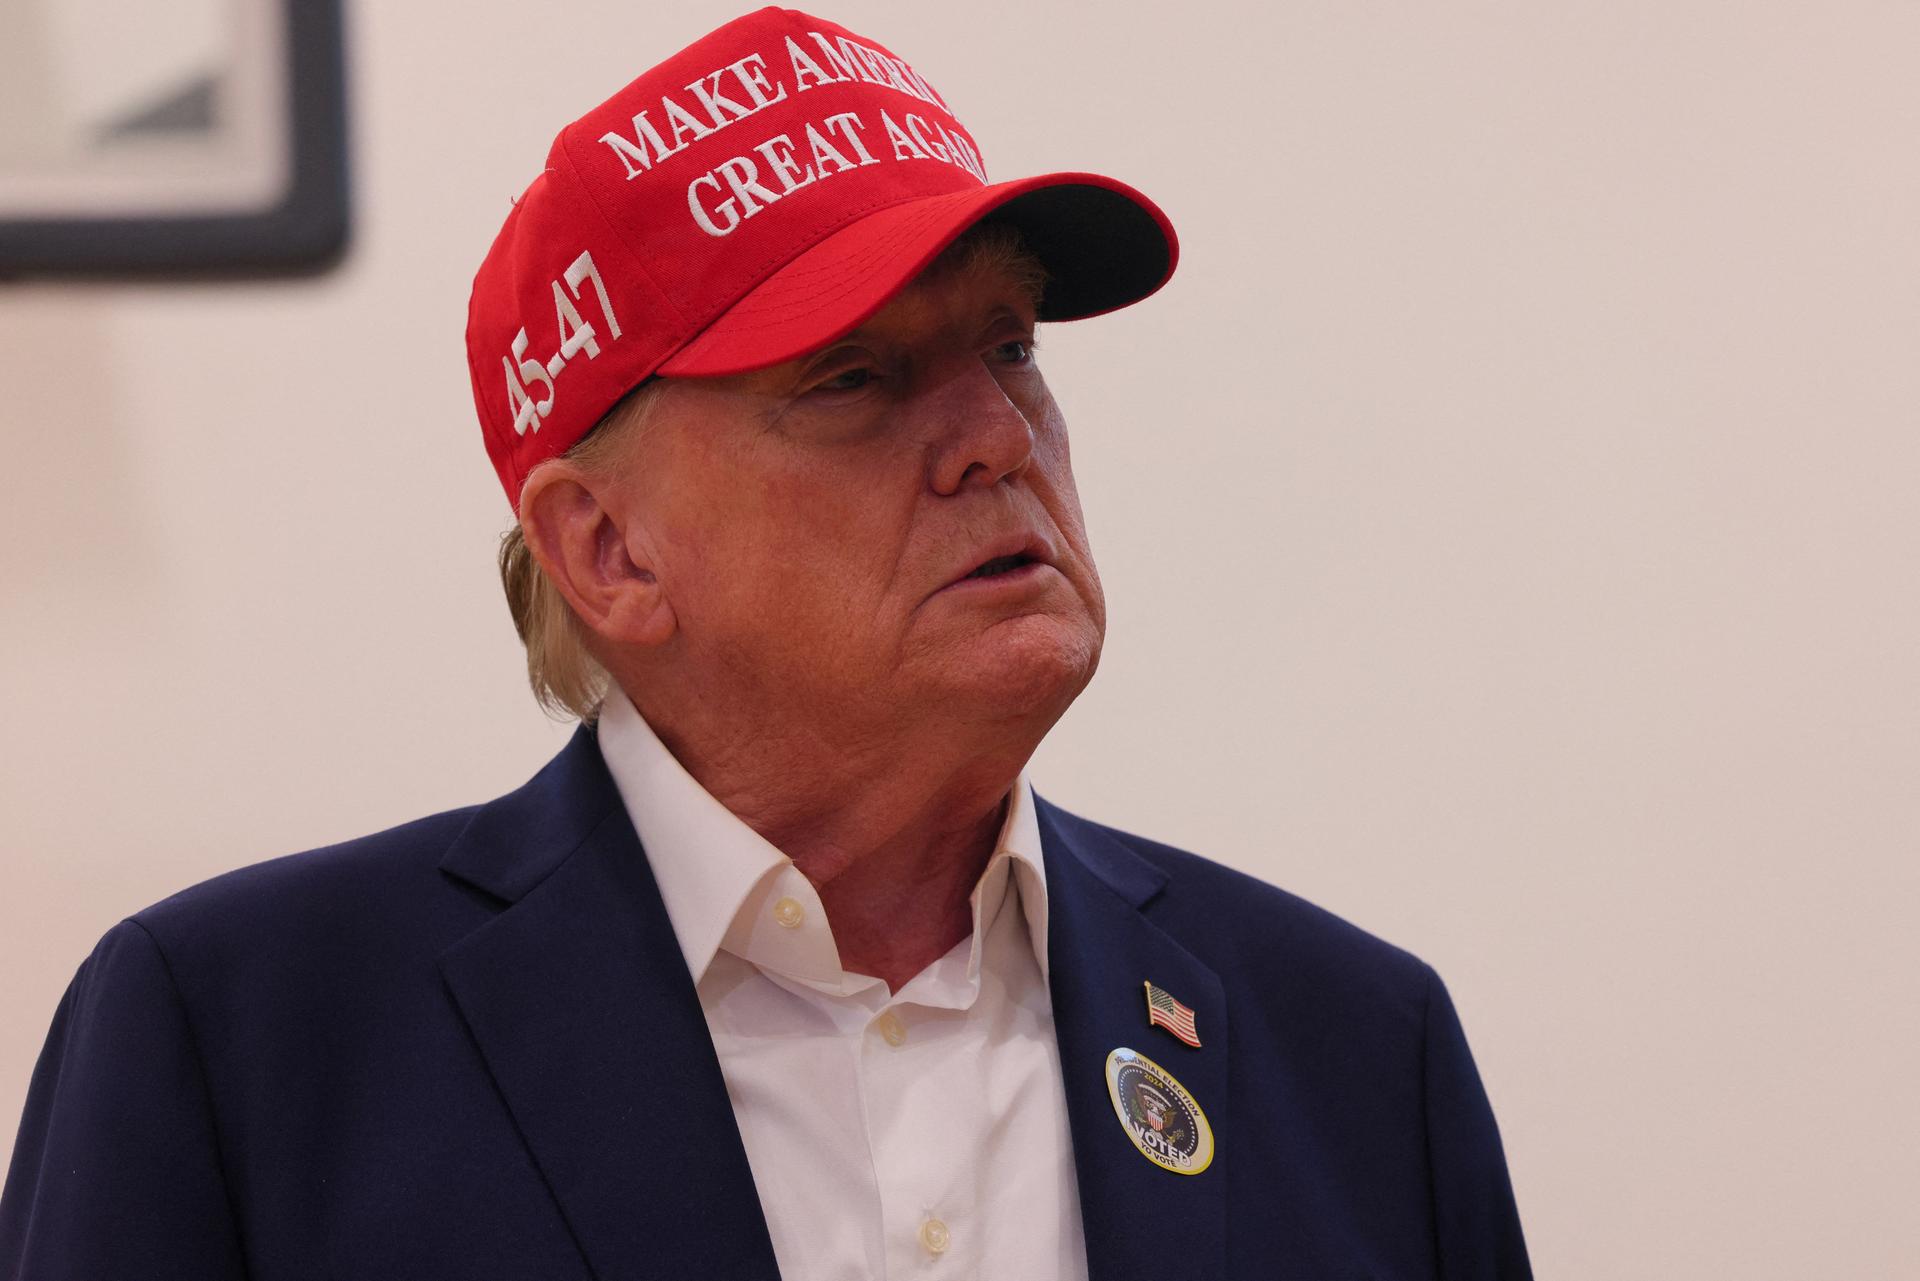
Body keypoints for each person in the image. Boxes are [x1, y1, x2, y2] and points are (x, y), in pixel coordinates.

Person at [0, 8, 1532, 1279]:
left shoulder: (1351, 1052)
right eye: (858, 375)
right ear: (608, 548)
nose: (997, 435)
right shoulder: (241, 1045)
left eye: (1012, 346)